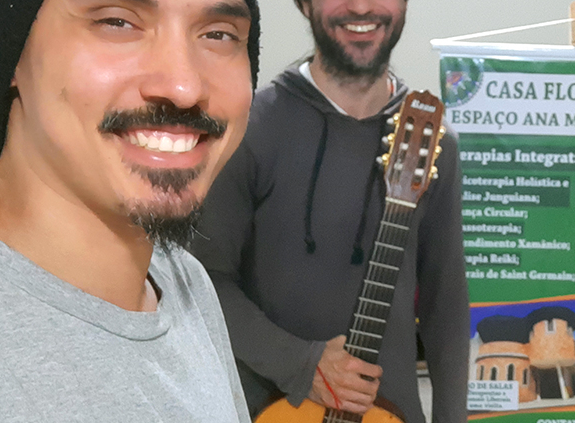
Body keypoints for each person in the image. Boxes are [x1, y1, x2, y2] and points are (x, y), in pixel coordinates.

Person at [0, 0, 261, 421]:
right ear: (12, 55)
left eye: (218, 34)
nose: (184, 87)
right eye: (117, 22)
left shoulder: (185, 282)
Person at [190, 0, 469, 421]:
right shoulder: (249, 130)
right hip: (267, 412)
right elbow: (204, 282)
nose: (361, 7)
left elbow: (444, 305)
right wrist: (302, 363)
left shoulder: (433, 145)